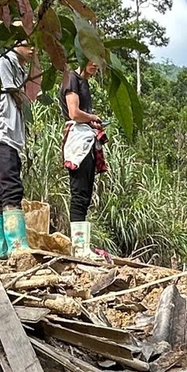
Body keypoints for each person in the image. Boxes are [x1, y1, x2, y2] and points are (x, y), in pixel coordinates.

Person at [0, 44, 38, 259]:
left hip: (9, 136)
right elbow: (17, 96)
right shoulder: (4, 62)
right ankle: (16, 245)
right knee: (12, 186)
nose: (32, 48)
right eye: (26, 42)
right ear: (13, 43)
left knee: (4, 190)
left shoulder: (18, 68)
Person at [62, 57, 108, 261]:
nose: (95, 65)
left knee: (86, 193)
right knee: (79, 193)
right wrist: (92, 118)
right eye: (92, 60)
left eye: (99, 62)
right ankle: (79, 248)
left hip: (86, 139)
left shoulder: (83, 83)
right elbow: (73, 112)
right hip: (78, 140)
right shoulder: (71, 78)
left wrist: (92, 123)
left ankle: (82, 246)